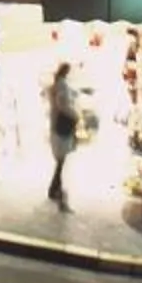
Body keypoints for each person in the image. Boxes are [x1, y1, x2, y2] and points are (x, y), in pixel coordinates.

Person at [45, 60, 80, 208]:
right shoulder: (62, 86)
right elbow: (63, 105)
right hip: (62, 124)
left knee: (60, 160)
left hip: (56, 124)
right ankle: (55, 189)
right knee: (61, 160)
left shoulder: (55, 85)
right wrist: (75, 116)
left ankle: (55, 188)